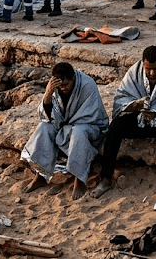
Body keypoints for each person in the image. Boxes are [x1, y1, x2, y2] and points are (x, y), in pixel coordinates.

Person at [92, 46, 156, 200]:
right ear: (143, 64)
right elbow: (121, 99)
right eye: (148, 69)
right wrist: (134, 105)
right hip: (139, 119)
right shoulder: (134, 72)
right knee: (115, 127)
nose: (152, 73)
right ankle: (106, 179)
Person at [21, 62, 109, 200]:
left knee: (78, 132)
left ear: (73, 78)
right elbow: (46, 117)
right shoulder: (54, 86)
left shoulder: (87, 85)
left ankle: (79, 179)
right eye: (60, 86)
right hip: (65, 126)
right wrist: (48, 94)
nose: (63, 88)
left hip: (90, 126)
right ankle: (41, 175)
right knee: (44, 127)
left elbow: (90, 116)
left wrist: (67, 128)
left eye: (66, 85)